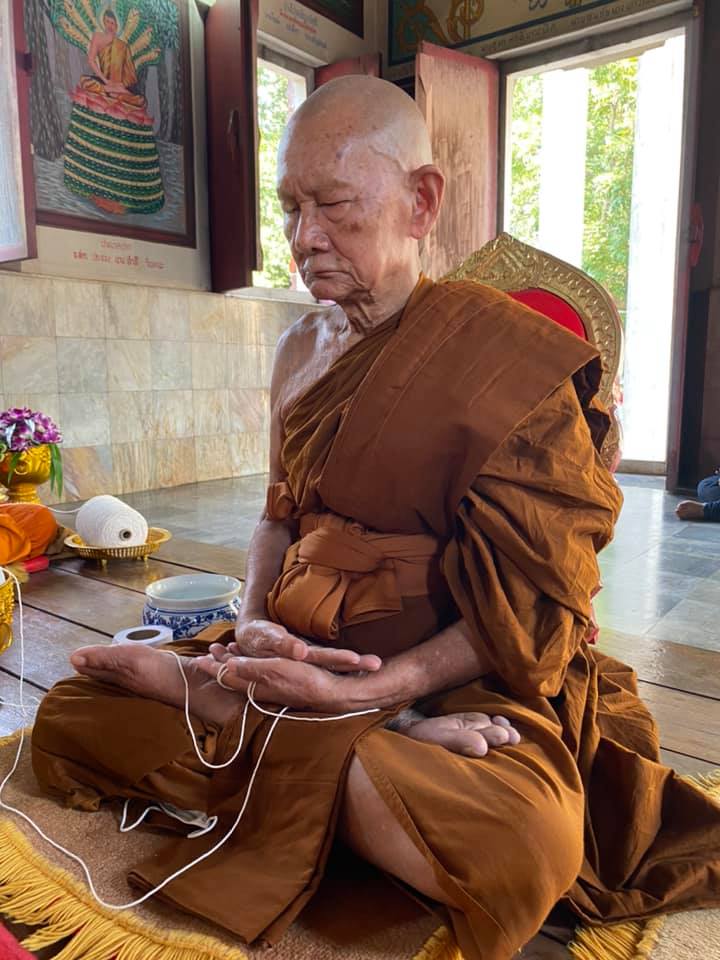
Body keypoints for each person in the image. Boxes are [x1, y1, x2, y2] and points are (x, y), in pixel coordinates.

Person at [31, 77, 720, 960]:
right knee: (75, 714)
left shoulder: (506, 359)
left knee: (522, 848)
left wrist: (368, 696)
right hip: (291, 657)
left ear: (419, 202)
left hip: (456, 685)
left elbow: (533, 606)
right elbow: (277, 522)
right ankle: (295, 732)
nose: (304, 238)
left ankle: (281, 734)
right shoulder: (296, 350)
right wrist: (246, 638)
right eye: (288, 208)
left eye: (334, 205)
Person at [61, 7, 164, 215]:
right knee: (90, 87)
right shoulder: (98, 38)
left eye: (113, 23)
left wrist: (118, 85)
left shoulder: (123, 46)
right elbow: (91, 60)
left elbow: (130, 76)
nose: (111, 26)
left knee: (134, 101)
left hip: (118, 88)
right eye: (107, 22)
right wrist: (105, 80)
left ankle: (125, 195)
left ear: (117, 25)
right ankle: (95, 187)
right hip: (102, 83)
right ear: (103, 22)